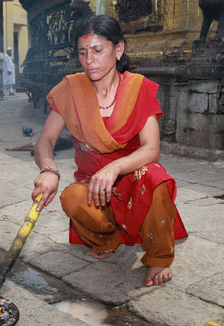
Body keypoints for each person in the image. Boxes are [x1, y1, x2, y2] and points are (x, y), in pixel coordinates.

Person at [32, 15, 188, 287]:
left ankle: (159, 257)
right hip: (95, 189)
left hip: (133, 180)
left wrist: (115, 167)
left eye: (97, 50)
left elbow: (152, 149)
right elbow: (45, 141)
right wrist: (48, 169)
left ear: (118, 49)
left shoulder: (139, 89)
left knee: (155, 176)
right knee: (70, 197)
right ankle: (106, 238)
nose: (88, 60)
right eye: (82, 52)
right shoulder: (70, 89)